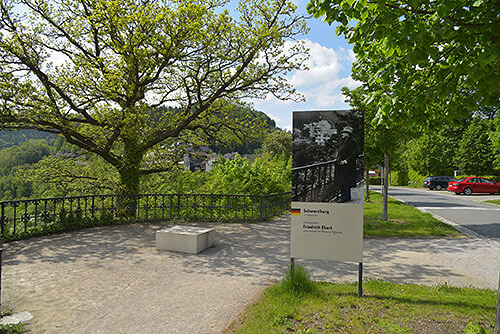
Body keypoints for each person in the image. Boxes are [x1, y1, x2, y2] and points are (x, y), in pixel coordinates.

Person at [333, 126, 359, 203]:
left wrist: (346, 160)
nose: (342, 134)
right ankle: (346, 197)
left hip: (348, 165)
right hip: (342, 165)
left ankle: (344, 198)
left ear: (348, 134)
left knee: (345, 182)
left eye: (344, 133)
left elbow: (355, 153)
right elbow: (341, 152)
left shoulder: (352, 141)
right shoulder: (344, 141)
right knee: (343, 181)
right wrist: (337, 159)